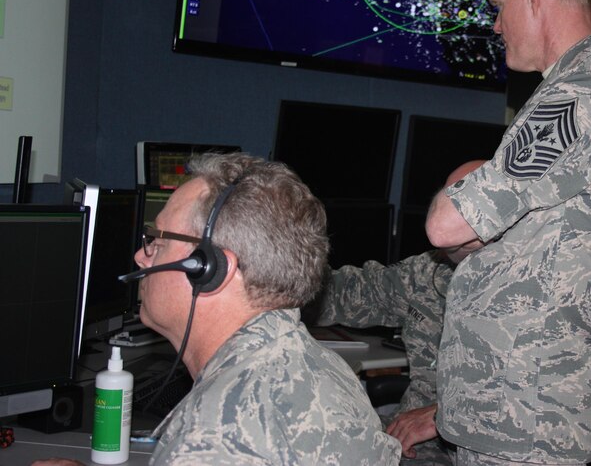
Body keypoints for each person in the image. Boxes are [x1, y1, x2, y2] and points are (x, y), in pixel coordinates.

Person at [424, 0, 591, 465]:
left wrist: (464, 201)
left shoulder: (584, 94)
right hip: (510, 402)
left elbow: (445, 224)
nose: (496, 24)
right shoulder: (578, 88)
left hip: (528, 406)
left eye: (500, 6)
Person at [35, 153, 401, 466]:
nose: (140, 256)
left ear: (210, 270)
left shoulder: (211, 434)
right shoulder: (320, 365)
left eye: (156, 241)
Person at [314, 160, 485, 465]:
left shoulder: (543, 288)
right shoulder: (430, 271)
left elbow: (554, 399)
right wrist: (281, 277)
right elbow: (351, 293)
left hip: (482, 449)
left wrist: (441, 415)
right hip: (411, 445)